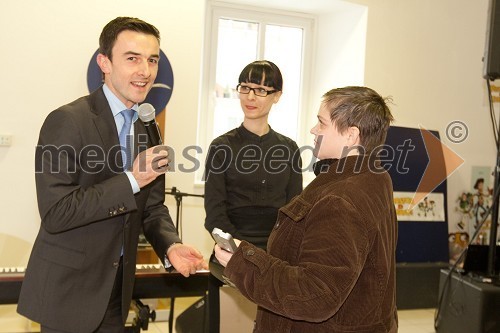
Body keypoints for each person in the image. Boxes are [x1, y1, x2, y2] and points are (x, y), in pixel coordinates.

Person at [17, 17, 207, 333]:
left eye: (152, 60)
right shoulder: (67, 120)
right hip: (69, 294)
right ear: (104, 62)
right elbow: (56, 212)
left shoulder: (148, 126)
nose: (145, 71)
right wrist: (131, 180)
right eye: (132, 58)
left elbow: (153, 207)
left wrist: (170, 246)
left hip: (118, 291)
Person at [215, 86, 398, 333]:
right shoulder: (373, 177)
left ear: (351, 135)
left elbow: (315, 295)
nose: (314, 129)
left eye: (322, 123)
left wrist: (245, 265)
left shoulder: (341, 199)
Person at [204, 60, 303, 332]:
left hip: (277, 252)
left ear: (277, 96)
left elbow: (296, 209)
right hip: (232, 249)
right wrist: (238, 252)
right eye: (245, 87)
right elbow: (214, 212)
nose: (250, 96)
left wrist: (274, 257)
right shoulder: (221, 147)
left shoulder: (289, 148)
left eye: (260, 90)